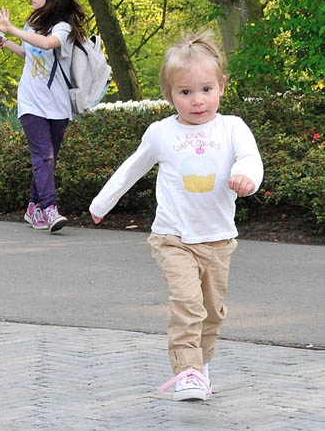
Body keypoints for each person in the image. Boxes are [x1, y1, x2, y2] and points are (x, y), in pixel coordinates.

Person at [89, 30, 263, 401]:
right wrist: (101, 204)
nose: (197, 100)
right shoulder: (161, 133)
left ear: (221, 86)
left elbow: (251, 159)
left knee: (212, 314)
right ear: (169, 94)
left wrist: (248, 177)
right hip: (173, 237)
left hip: (218, 240)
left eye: (205, 90)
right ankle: (188, 372)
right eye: (185, 93)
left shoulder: (232, 128)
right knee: (187, 304)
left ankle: (200, 365)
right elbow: (130, 169)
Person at [0, 0, 87, 233]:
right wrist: (7, 42)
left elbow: (46, 45)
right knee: (43, 156)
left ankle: (33, 207)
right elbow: (29, 54)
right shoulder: (31, 24)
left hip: (57, 104)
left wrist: (11, 30)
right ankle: (49, 208)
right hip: (31, 102)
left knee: (48, 159)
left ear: (52, 0)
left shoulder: (63, 28)